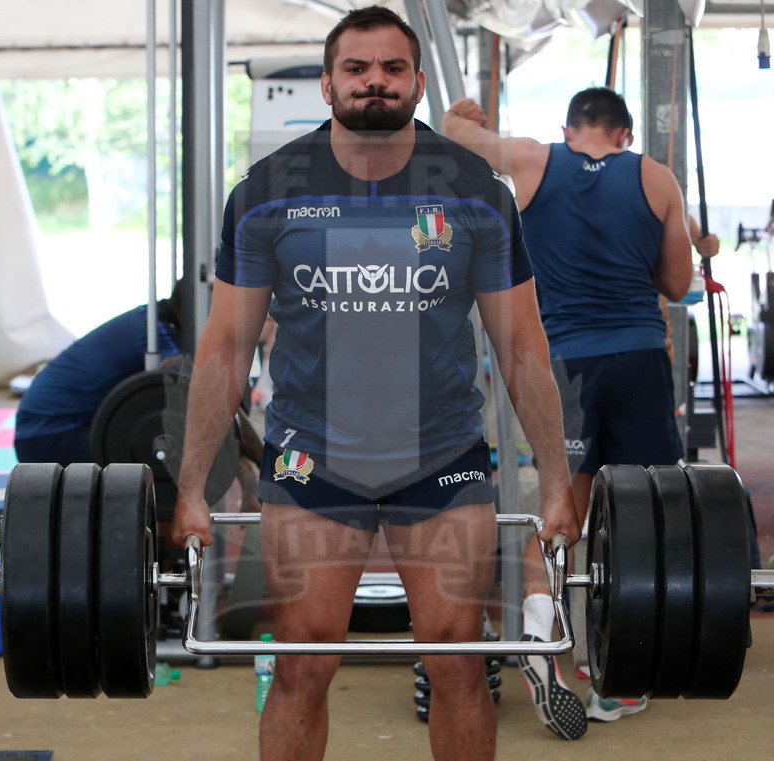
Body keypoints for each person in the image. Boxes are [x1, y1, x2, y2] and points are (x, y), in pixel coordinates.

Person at [171, 6, 581, 760]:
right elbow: (223, 350)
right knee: (301, 662)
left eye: (392, 69)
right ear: (327, 83)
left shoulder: (475, 192)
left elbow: (521, 344)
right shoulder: (265, 193)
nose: (374, 83)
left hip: (444, 456)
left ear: (418, 84)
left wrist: (556, 479)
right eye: (357, 69)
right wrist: (191, 485)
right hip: (310, 460)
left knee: (459, 661)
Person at [443, 90, 719, 734]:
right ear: (623, 134)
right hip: (639, 360)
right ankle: (620, 683)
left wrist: (466, 113)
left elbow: (457, 136)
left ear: (570, 129)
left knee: (562, 506)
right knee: (644, 518)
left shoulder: (535, 160)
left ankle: (541, 636)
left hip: (562, 367)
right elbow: (678, 286)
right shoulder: (654, 175)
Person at [14, 283, 183, 466]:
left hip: (39, 432)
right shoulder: (154, 329)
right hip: (49, 435)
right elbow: (183, 372)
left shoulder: (150, 317)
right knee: (161, 442)